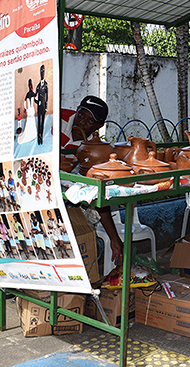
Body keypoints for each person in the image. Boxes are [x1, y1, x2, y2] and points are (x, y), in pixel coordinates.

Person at [61, 95, 123, 269]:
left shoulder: (92, 150)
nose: (81, 122)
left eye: (90, 121)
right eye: (81, 114)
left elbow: (97, 193)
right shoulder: (58, 119)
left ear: (99, 126)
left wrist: (114, 237)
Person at [18, 79, 37, 144]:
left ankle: (32, 133)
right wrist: (26, 108)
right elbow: (25, 102)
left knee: (31, 122)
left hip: (30, 110)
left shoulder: (29, 93)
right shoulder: (31, 93)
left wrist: (25, 108)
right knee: (30, 122)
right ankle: (31, 134)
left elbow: (24, 102)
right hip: (30, 110)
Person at [35, 64, 49, 145]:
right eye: (41, 72)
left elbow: (47, 96)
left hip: (43, 106)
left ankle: (41, 137)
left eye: (43, 72)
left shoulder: (46, 85)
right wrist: (37, 102)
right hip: (39, 106)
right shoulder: (38, 85)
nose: (42, 73)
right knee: (39, 121)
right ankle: (38, 136)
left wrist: (46, 106)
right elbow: (35, 96)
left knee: (43, 121)